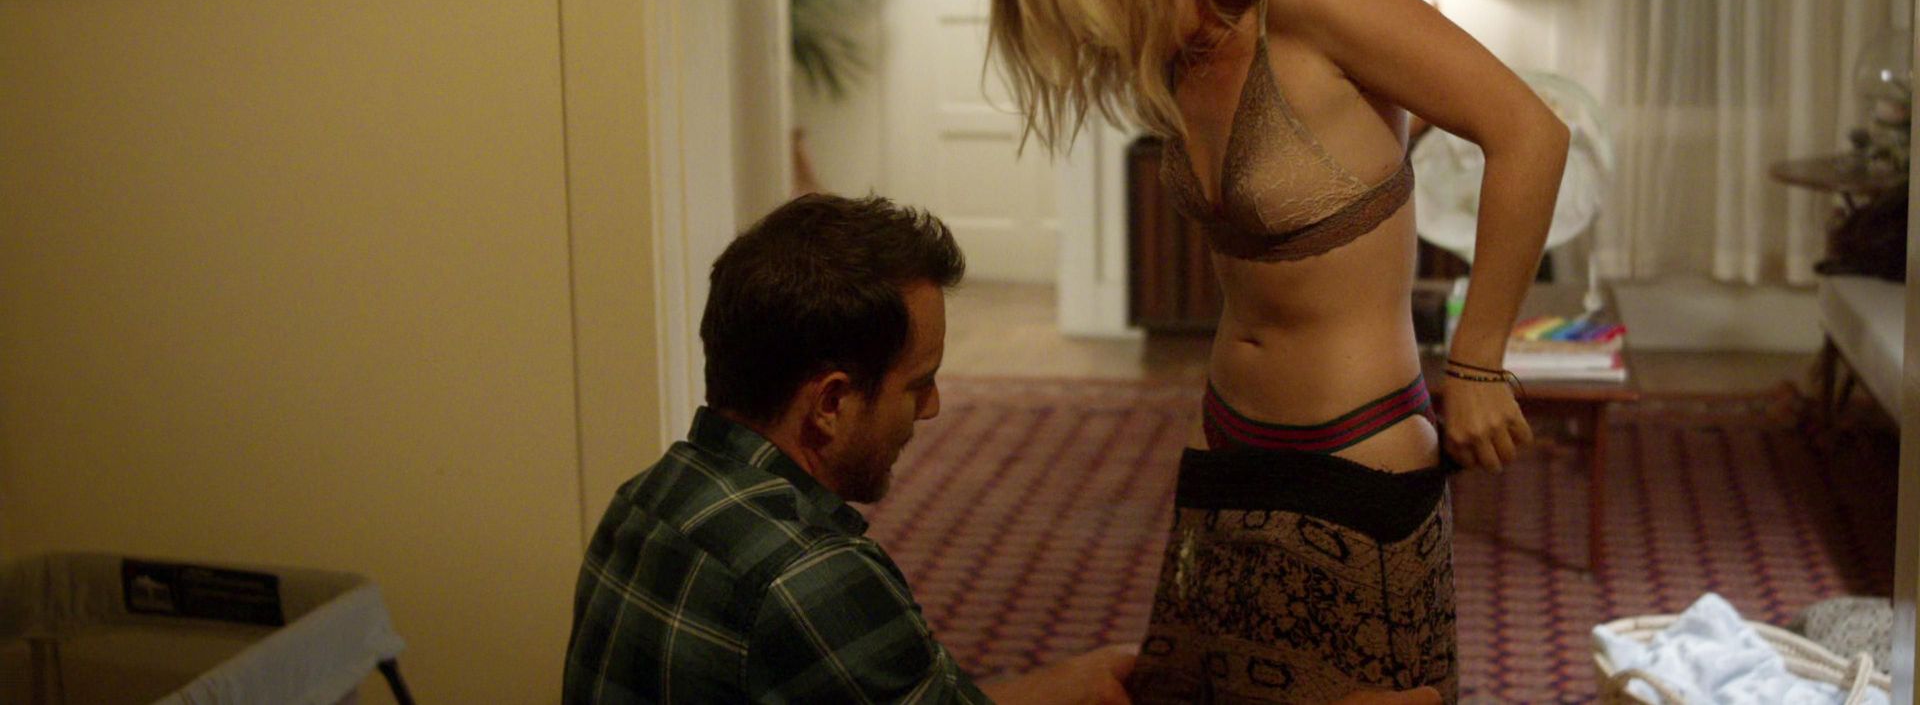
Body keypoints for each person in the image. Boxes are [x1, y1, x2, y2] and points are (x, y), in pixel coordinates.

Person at [987, 0, 1569, 704]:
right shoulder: (1178, 51)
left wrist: (1480, 358)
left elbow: (1529, 131)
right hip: (1223, 441)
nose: (1097, 42)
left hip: (1358, 448)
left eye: (1097, 9)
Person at [563, 192, 1442, 705]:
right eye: (916, 384)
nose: (935, 407)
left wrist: (1067, 685)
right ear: (830, 402)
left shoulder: (649, 499)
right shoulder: (809, 576)